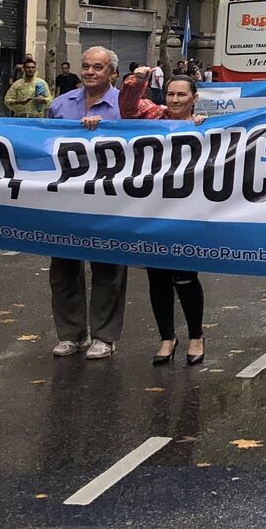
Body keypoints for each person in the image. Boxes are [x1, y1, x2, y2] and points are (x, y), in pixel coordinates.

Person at [44, 47, 129, 360]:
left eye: (98, 67)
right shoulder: (59, 105)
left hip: (109, 200)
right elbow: (41, 143)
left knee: (107, 270)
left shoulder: (125, 106)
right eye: (87, 67)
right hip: (66, 199)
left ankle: (104, 336)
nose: (90, 72)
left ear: (112, 74)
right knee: (63, 269)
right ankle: (71, 335)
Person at [135, 76, 209, 365]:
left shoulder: (206, 126)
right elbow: (127, 106)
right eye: (170, 94)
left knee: (185, 276)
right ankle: (167, 337)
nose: (175, 100)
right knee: (157, 278)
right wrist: (138, 79)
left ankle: (196, 336)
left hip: (186, 213)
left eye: (181, 95)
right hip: (154, 210)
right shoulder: (153, 122)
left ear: (194, 98)